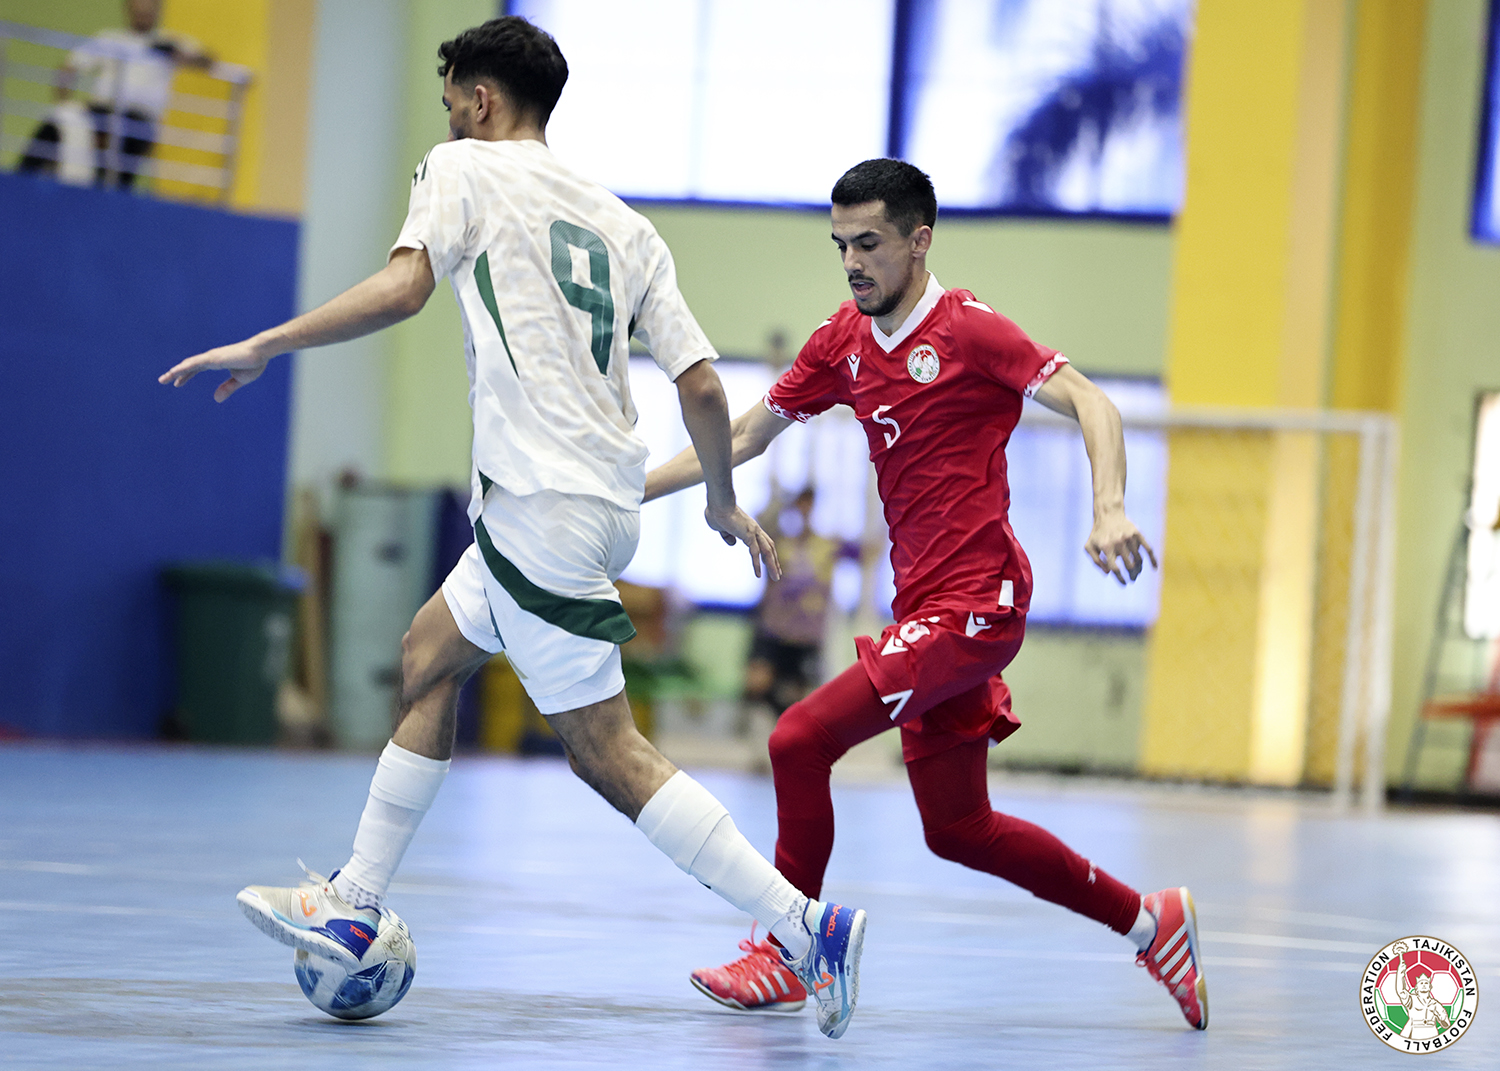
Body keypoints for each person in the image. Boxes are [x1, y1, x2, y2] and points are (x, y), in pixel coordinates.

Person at [158, 17, 865, 1040]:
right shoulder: (627, 225)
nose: (449, 115)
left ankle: (805, 926)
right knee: (426, 656)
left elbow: (405, 288)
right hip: (581, 508)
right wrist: (717, 496)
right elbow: (707, 389)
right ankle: (355, 903)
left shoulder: (460, 168)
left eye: (452, 100)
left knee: (607, 752)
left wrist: (269, 342)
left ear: (480, 100)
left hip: (540, 509)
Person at [644, 158, 1208, 1030]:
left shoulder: (971, 330)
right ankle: (1150, 920)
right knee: (958, 827)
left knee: (798, 739)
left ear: (919, 240)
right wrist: (631, 490)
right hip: (923, 610)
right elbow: (747, 433)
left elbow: (1093, 402)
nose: (852, 262)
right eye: (840, 245)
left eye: (868, 243)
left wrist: (1108, 508)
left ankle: (791, 950)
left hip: (978, 603)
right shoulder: (842, 341)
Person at [19, 0, 211, 188]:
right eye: (138, 9)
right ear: (128, 9)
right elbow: (69, 67)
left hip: (139, 118)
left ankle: (113, 194)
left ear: (157, 10)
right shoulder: (110, 38)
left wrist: (178, 55)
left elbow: (208, 61)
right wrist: (63, 103)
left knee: (125, 146)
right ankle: (19, 182)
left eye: (148, 10)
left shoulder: (169, 41)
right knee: (56, 124)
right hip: (100, 110)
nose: (143, 15)